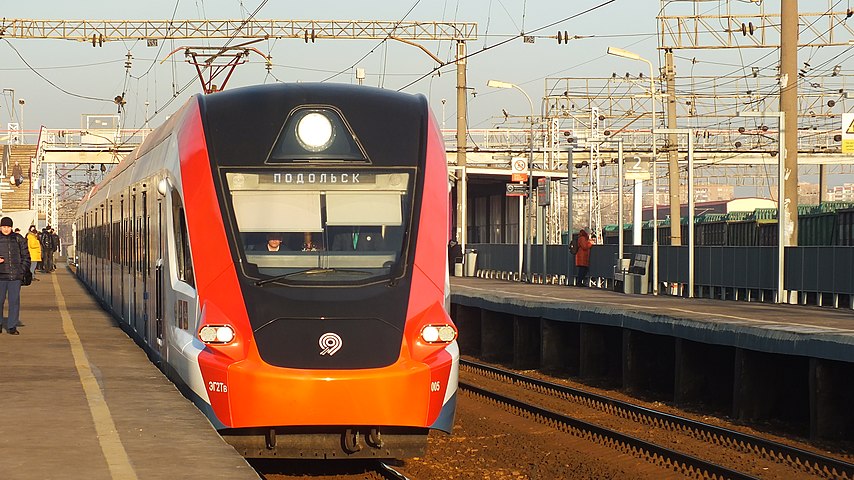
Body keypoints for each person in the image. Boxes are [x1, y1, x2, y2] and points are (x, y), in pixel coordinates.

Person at [0, 216, 31, 335]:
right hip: (1, 276)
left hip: (15, 276)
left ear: (11, 227)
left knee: (14, 301)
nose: (6, 229)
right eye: (3, 227)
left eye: (8, 227)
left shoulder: (19, 239)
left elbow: (26, 256)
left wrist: (21, 270)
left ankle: (12, 326)